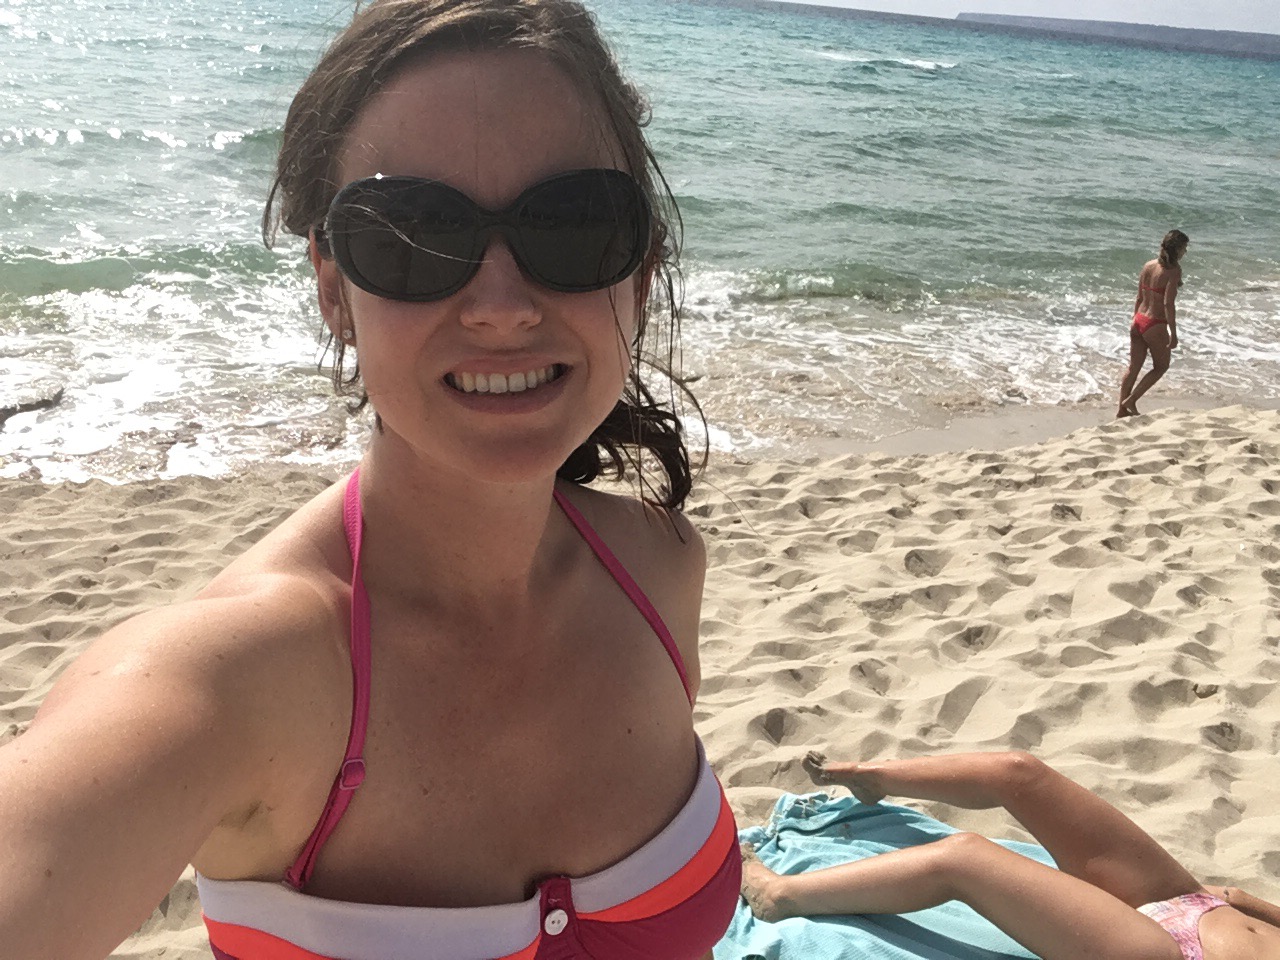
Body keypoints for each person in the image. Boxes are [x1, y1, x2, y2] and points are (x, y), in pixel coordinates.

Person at [0, 2, 742, 958]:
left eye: (573, 223)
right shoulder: (233, 682)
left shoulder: (662, 568)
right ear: (333, 290)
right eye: (414, 234)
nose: (502, 307)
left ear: (640, 273)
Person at [738, 750, 1280, 960]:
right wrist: (1227, 899)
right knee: (1019, 773)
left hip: (1167, 955)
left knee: (964, 859)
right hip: (1194, 905)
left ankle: (779, 894)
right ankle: (874, 779)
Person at [1118, 229, 1189, 418]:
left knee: (1133, 368)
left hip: (1139, 320)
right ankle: (1131, 400)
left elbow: (1139, 297)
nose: (1186, 252)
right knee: (1161, 366)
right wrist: (1173, 333)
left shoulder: (1148, 265)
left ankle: (1121, 411)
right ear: (1177, 249)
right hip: (1155, 323)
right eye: (1184, 248)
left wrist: (1135, 320)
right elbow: (1168, 304)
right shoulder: (1173, 271)